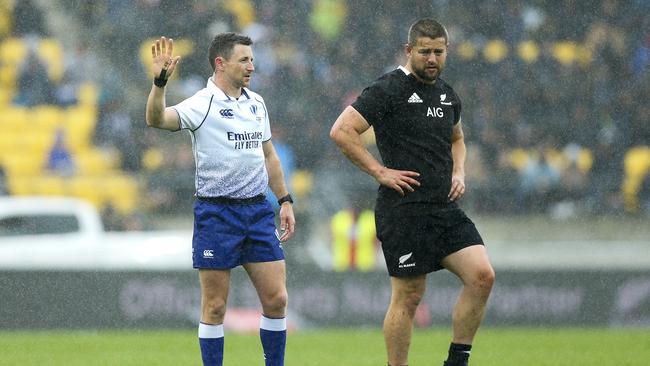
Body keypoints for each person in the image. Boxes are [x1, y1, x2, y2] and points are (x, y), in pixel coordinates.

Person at [330, 18, 495, 366]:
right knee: (409, 296)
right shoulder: (389, 88)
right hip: (403, 209)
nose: (432, 59)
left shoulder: (448, 94)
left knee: (482, 275)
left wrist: (460, 171)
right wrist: (379, 171)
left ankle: (457, 360)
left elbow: (458, 138)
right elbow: (343, 131)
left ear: (447, 51)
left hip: (444, 207)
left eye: (438, 52)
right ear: (409, 51)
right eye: (425, 52)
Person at [145, 33, 295, 366]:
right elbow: (156, 119)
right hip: (217, 213)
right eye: (244, 60)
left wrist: (284, 199)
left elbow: (268, 153)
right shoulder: (202, 103)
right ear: (220, 63)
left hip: (257, 212)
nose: (251, 66)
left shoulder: (257, 103)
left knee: (277, 299)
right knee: (214, 307)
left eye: (252, 59)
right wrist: (159, 84)